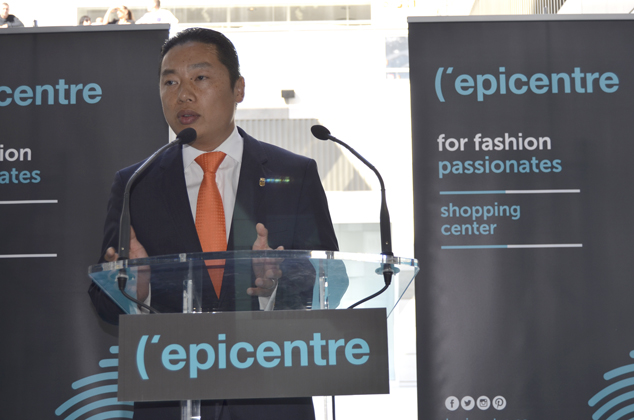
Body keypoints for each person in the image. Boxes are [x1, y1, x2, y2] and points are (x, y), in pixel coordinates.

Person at [88, 27, 338, 420]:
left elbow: (330, 282)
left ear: (239, 88)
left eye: (200, 77)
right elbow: (103, 302)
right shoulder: (135, 184)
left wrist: (277, 285)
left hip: (272, 397)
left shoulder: (294, 173)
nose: (183, 94)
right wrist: (135, 288)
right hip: (172, 398)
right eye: (170, 82)